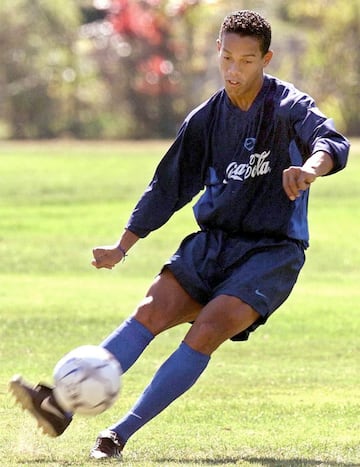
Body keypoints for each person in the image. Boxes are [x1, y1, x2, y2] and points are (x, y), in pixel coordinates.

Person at [9, 9, 349, 460]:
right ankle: (59, 407)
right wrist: (122, 244)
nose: (234, 69)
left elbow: (330, 140)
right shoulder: (206, 119)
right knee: (150, 310)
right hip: (212, 243)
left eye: (247, 60)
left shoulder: (288, 107)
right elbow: (167, 187)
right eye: (227, 57)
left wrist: (309, 168)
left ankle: (120, 432)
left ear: (266, 59)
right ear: (217, 52)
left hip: (272, 251)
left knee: (207, 328)